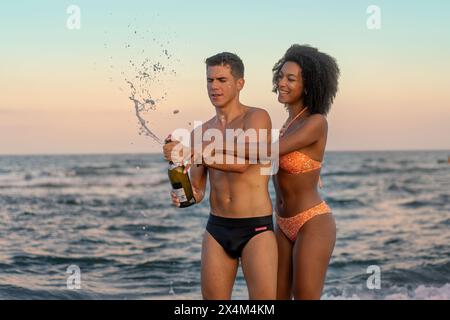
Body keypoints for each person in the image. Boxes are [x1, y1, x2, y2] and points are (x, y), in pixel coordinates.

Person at [219, 44, 340, 299]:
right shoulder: (286, 124)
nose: (281, 82)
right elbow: (251, 164)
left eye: (290, 78)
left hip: (312, 221)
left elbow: (264, 152)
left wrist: (209, 144)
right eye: (281, 76)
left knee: (305, 295)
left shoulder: (316, 122)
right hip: (281, 223)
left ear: (308, 85)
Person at [163, 52, 277, 300]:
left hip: (256, 228)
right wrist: (185, 194)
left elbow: (243, 164)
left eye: (222, 80)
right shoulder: (200, 131)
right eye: (209, 80)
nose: (214, 86)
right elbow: (198, 189)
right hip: (217, 228)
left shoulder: (256, 117)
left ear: (239, 83)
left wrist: (194, 154)